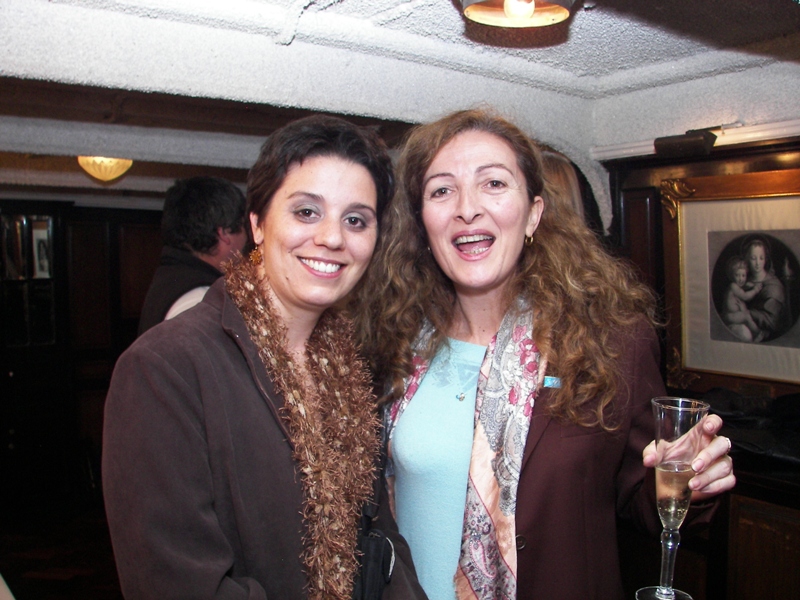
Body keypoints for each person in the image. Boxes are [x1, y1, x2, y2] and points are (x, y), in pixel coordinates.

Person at [353, 108, 735, 600]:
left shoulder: (610, 343)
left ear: (533, 213)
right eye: (442, 190)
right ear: (422, 222)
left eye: (493, 183)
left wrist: (687, 480)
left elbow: (644, 500)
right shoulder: (395, 342)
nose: (467, 208)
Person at [103, 115, 427, 600]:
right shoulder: (164, 368)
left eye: (356, 220)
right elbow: (177, 584)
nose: (333, 238)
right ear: (256, 224)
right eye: (306, 212)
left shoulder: (349, 369)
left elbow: (379, 534)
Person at [137, 176, 248, 336]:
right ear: (224, 233)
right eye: (245, 228)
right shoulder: (201, 301)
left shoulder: (171, 279)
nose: (247, 239)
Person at [743, 236, 789, 341]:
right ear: (747, 259)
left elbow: (773, 322)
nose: (757, 263)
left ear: (766, 259)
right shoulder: (742, 281)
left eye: (761, 258)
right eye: (753, 258)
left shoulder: (774, 286)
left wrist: (748, 313)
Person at [722, 255, 763, 342]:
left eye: (743, 275)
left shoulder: (737, 286)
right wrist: (755, 290)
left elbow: (743, 287)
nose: (741, 279)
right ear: (732, 275)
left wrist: (749, 285)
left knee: (747, 313)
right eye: (737, 275)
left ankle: (754, 334)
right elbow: (745, 296)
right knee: (746, 317)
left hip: (734, 314)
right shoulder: (733, 286)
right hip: (730, 316)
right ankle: (758, 333)